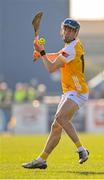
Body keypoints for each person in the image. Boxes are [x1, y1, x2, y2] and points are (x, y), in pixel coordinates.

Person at [22, 18, 89, 169]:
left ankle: (81, 149)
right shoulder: (70, 46)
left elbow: (51, 68)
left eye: (71, 30)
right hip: (69, 92)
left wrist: (42, 52)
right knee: (56, 126)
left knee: (60, 117)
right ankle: (42, 159)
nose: (68, 32)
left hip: (78, 92)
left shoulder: (72, 48)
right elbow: (57, 56)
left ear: (76, 33)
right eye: (66, 29)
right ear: (62, 30)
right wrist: (41, 54)